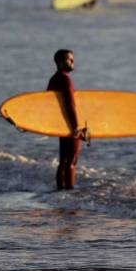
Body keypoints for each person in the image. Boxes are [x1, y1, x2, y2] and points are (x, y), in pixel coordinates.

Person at [47, 49, 87, 190]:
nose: (73, 62)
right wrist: (76, 127)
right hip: (70, 124)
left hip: (61, 124)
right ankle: (69, 192)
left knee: (63, 161)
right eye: (70, 60)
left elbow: (48, 103)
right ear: (61, 62)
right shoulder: (65, 79)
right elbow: (71, 104)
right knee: (71, 161)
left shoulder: (54, 79)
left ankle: (60, 192)